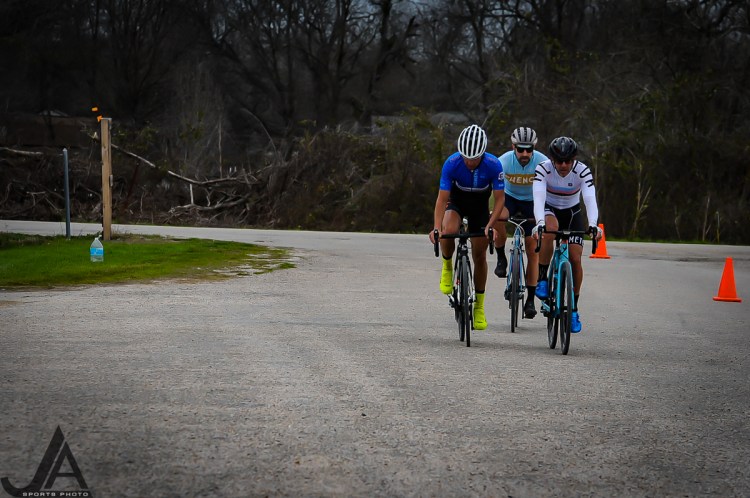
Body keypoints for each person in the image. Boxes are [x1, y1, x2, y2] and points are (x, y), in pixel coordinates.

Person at [429, 124, 505, 330]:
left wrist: (490, 225)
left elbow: (499, 200)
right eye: (466, 158)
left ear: (483, 153)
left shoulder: (494, 165)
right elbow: (441, 199)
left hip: (480, 206)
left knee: (479, 255)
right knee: (448, 231)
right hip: (457, 202)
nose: (470, 162)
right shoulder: (452, 163)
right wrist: (436, 228)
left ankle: (479, 306)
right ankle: (447, 265)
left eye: (475, 158)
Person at [531, 136, 603, 333]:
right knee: (549, 229)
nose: (563, 165)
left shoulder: (582, 171)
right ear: (552, 160)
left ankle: (574, 309)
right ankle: (543, 278)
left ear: (574, 159)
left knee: (575, 258)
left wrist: (593, 225)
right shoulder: (543, 169)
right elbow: (538, 197)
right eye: (559, 161)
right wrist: (539, 223)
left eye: (568, 161)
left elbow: (589, 198)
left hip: (572, 213)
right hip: (549, 210)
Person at [485, 126, 548, 319]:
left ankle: (530, 300)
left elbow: (549, 190)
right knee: (497, 217)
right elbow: (491, 189)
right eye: (521, 149)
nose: (525, 154)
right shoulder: (503, 161)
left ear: (534, 148)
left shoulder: (543, 162)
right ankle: (501, 257)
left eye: (529, 149)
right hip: (509, 198)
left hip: (532, 201)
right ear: (513, 147)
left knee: (532, 250)